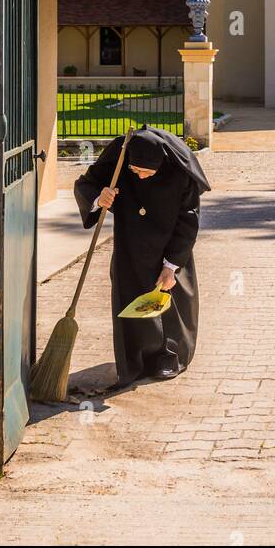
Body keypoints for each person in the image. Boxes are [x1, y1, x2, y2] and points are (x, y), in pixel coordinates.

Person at [74, 126, 210, 384]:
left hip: (170, 243)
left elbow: (188, 221)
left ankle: (169, 356)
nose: (142, 177)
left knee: (168, 298)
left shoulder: (180, 173)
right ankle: (134, 359)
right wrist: (98, 198)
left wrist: (172, 265)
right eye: (136, 172)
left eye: (148, 172)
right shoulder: (120, 157)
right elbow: (86, 184)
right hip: (130, 241)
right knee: (130, 297)